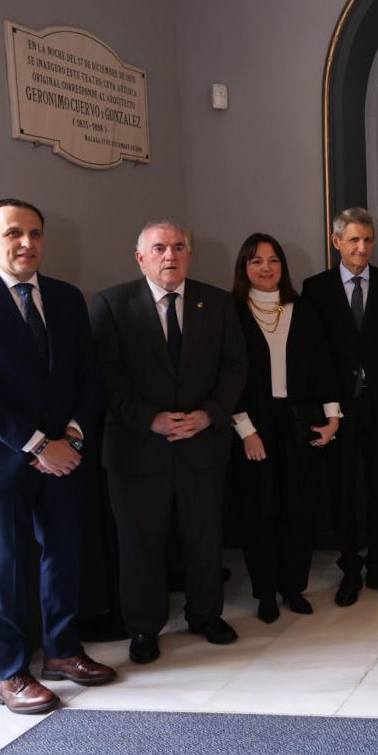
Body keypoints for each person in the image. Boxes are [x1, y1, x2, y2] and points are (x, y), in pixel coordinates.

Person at [0, 199, 116, 713]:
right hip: (1, 462)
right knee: (6, 571)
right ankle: (10, 674)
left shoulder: (68, 298)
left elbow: (86, 379)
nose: (27, 243)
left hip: (65, 458)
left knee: (64, 559)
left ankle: (62, 652)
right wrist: (37, 445)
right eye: (14, 233)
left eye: (35, 233)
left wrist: (71, 439)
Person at [91, 220, 247, 664]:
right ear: (140, 257)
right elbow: (105, 376)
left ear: (189, 255)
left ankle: (205, 615)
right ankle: (143, 628)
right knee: (140, 543)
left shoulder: (216, 303)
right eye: (159, 248)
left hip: (201, 445)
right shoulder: (111, 304)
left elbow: (236, 368)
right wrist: (149, 420)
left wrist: (208, 415)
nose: (169, 255)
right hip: (137, 449)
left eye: (179, 247)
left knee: (203, 537)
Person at [230, 234, 341, 623]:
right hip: (253, 424)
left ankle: (293, 587)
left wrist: (332, 419)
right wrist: (246, 430)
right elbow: (228, 378)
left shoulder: (304, 309)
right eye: (256, 261)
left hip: (300, 421)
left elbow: (324, 367)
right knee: (260, 510)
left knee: (299, 506)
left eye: (273, 260)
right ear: (244, 267)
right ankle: (265, 593)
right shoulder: (232, 311)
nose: (266, 268)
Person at [300, 208, 378, 606]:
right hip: (337, 409)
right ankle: (350, 569)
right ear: (336, 242)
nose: (362, 248)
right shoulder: (316, 288)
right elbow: (315, 354)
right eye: (354, 240)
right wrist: (328, 407)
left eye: (368, 240)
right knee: (343, 490)